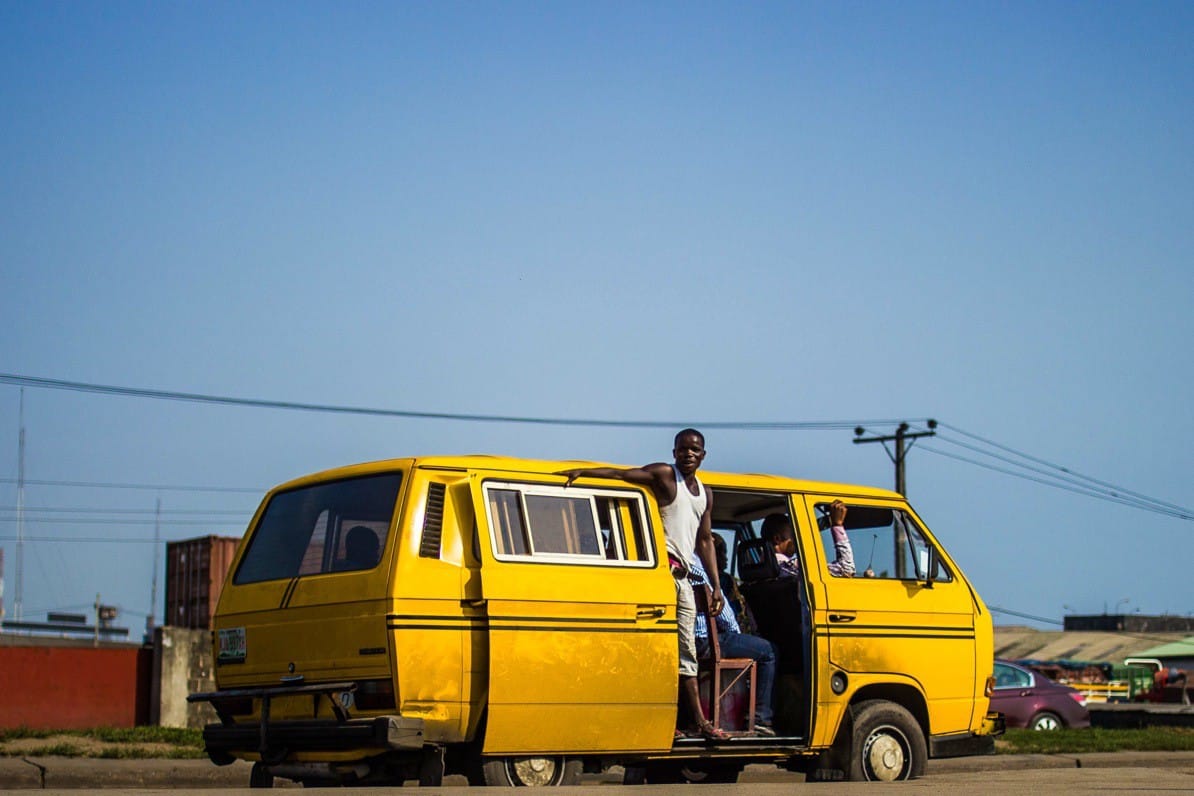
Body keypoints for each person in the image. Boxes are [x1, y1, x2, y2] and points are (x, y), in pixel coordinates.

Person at [558, 429, 728, 741]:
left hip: (684, 580)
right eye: (682, 449)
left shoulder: (705, 493)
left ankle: (698, 723)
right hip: (661, 574)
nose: (688, 454)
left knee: (686, 652)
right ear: (674, 452)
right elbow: (623, 474)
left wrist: (716, 586)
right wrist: (585, 472)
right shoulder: (665, 476)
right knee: (658, 650)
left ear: (704, 455)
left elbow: (704, 540)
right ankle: (678, 722)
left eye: (694, 450)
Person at [689, 554, 778, 736]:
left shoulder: (678, 565)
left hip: (687, 641)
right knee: (769, 651)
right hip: (706, 641)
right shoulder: (698, 566)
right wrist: (738, 637)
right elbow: (726, 617)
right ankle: (761, 718)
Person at [761, 500, 855, 578]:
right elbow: (846, 569)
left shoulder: (762, 570)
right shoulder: (784, 566)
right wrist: (837, 525)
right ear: (777, 539)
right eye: (793, 535)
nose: (796, 540)